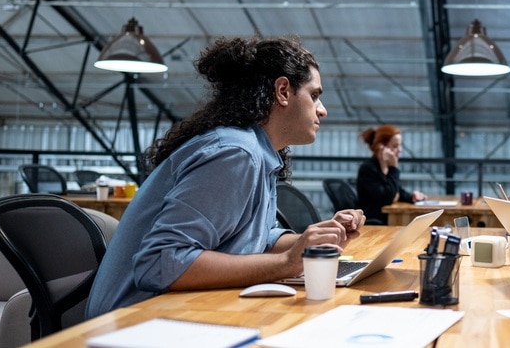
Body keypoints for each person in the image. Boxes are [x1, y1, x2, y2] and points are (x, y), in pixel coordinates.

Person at [86, 36, 366, 318]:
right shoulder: (235, 153)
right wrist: (286, 263)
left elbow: (258, 239)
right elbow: (159, 263)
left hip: (171, 313)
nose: (322, 109)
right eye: (314, 95)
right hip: (132, 323)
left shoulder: (258, 151)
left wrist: (316, 239)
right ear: (283, 91)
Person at [356, 124, 427, 225]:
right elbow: (388, 197)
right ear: (381, 147)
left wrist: (412, 196)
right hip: (375, 223)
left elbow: (397, 190)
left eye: (399, 145)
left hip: (386, 220)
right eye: (395, 146)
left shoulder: (385, 168)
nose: (400, 150)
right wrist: (394, 168)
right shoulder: (368, 169)